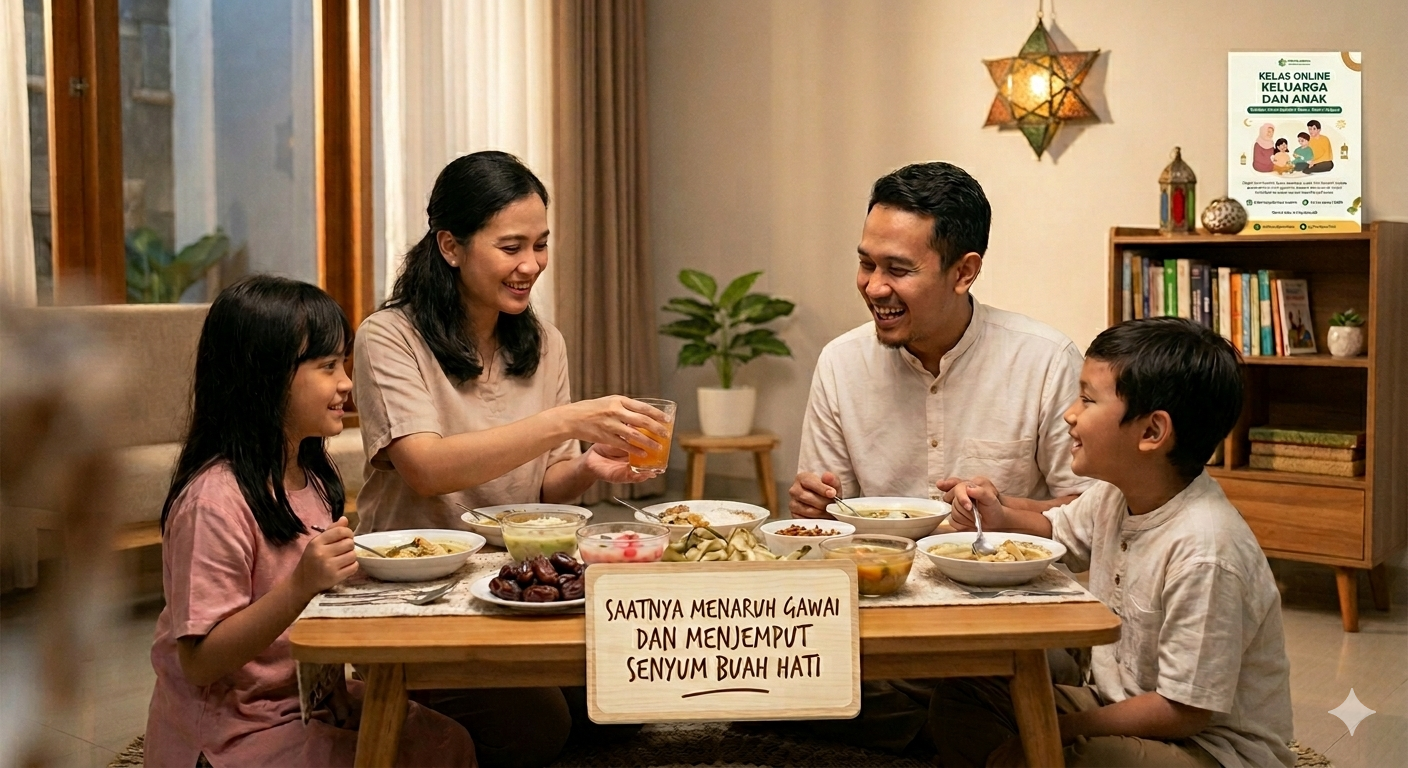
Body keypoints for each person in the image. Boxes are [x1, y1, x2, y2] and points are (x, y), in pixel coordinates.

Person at [352, 151, 661, 765]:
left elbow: (545, 490)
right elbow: (426, 468)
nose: (531, 265)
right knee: (538, 728)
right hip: (423, 587)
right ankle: (395, 694)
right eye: (511, 247)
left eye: (541, 245)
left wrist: (588, 466)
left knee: (625, 702)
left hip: (523, 580)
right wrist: (564, 421)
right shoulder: (389, 337)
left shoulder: (543, 342)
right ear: (450, 246)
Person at [786, 161, 1091, 753]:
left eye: (898, 270)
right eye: (866, 263)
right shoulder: (841, 362)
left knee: (995, 673)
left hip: (1008, 613)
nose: (874, 287)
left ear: (964, 272)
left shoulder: (1045, 360)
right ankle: (957, 727)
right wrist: (815, 509)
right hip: (882, 607)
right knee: (769, 666)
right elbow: (826, 533)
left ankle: (935, 721)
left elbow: (1092, 517)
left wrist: (1006, 511)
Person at [145, 276, 475, 767]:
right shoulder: (212, 503)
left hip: (299, 701)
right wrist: (300, 585)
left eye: (342, 363)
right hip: (229, 734)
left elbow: (319, 612)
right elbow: (199, 661)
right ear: (265, 376)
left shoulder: (313, 475)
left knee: (447, 743)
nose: (346, 383)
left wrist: (329, 684)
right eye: (326, 366)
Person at [934, 317, 1294, 767]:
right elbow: (1058, 529)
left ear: (1151, 432)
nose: (1070, 414)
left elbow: (1184, 710)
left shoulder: (1206, 552)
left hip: (1208, 747)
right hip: (1114, 702)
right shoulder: (1116, 494)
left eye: (1087, 399)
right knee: (965, 692)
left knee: (1082, 756)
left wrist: (1056, 730)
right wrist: (999, 514)